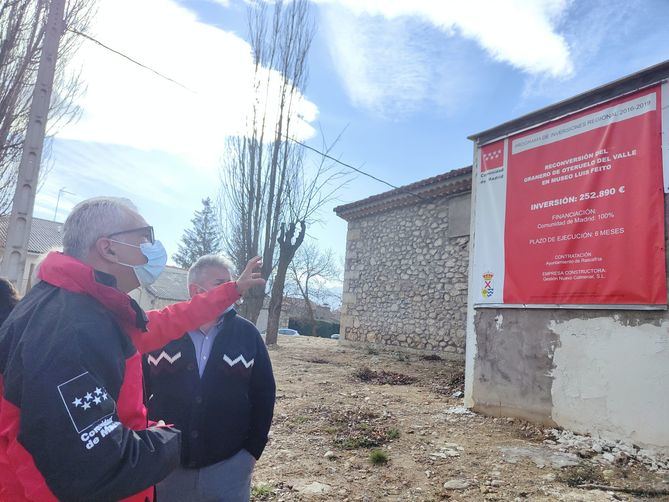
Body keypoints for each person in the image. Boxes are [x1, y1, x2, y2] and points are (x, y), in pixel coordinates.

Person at [0, 197, 264, 502]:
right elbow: (89, 463)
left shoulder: (93, 307)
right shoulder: (69, 326)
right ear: (108, 248)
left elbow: (168, 321)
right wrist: (164, 440)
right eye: (144, 237)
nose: (152, 247)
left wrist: (231, 291)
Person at [145, 255, 276, 502]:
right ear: (196, 290)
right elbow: (137, 393)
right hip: (168, 470)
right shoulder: (161, 333)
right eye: (221, 283)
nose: (233, 289)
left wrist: (250, 453)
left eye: (231, 282)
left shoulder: (247, 334)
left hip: (229, 467)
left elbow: (264, 394)